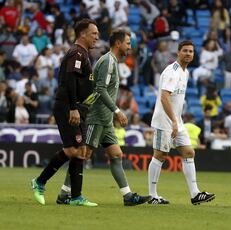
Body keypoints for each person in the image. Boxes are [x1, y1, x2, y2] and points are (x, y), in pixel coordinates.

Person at [58, 29, 151, 206]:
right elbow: (100, 90)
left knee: (116, 154)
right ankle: (64, 193)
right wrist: (117, 111)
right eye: (128, 43)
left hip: (105, 120)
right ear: (118, 43)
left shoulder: (112, 61)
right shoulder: (108, 61)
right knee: (82, 155)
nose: (130, 46)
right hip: (96, 117)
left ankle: (128, 196)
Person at [31, 19, 100, 207]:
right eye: (94, 33)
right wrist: (73, 107)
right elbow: (69, 81)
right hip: (68, 106)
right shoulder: (76, 53)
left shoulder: (85, 55)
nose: (97, 37)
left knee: (80, 151)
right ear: (82, 34)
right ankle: (40, 181)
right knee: (72, 150)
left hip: (79, 108)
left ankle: (76, 196)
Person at [147, 40, 215, 205]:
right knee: (160, 155)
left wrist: (177, 122)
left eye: (191, 51)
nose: (188, 54)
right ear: (178, 52)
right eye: (185, 51)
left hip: (177, 121)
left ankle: (195, 194)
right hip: (165, 121)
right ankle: (152, 195)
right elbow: (164, 97)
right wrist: (174, 122)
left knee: (189, 152)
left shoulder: (186, 72)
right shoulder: (172, 71)